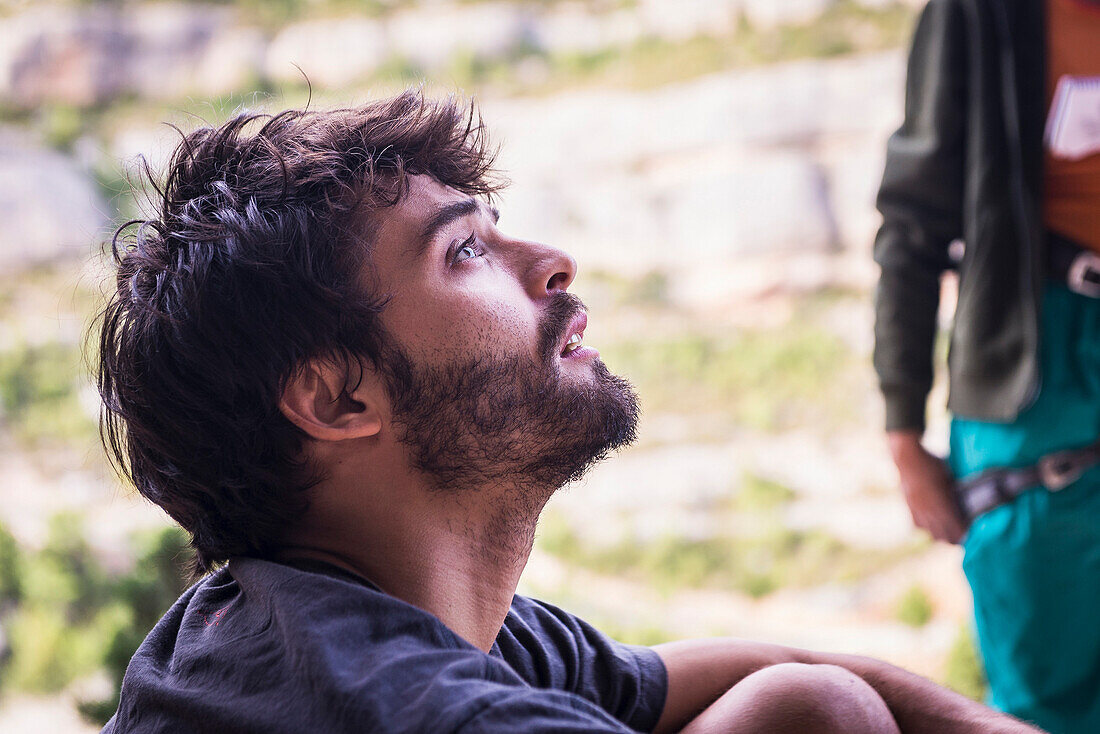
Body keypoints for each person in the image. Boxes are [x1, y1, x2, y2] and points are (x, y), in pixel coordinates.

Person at [97, 91, 1037, 733]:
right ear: (340, 398)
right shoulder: (430, 709)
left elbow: (782, 668)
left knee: (809, 705)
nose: (551, 261)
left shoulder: (297, 622)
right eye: (463, 250)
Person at [874, 0, 1100, 732]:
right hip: (1031, 360)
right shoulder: (980, 14)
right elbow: (913, 225)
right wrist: (904, 432)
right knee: (1043, 688)